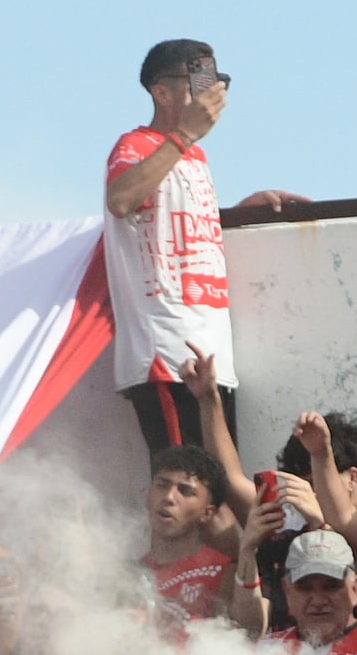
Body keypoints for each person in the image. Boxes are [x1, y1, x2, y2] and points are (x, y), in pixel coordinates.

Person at [102, 41, 300, 461]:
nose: (209, 96)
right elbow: (121, 200)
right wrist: (184, 134)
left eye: (214, 85)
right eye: (198, 85)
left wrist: (238, 213)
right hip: (168, 355)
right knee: (185, 486)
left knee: (219, 491)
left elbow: (174, 220)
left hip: (211, 354)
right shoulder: (135, 145)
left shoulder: (195, 155)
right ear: (161, 92)